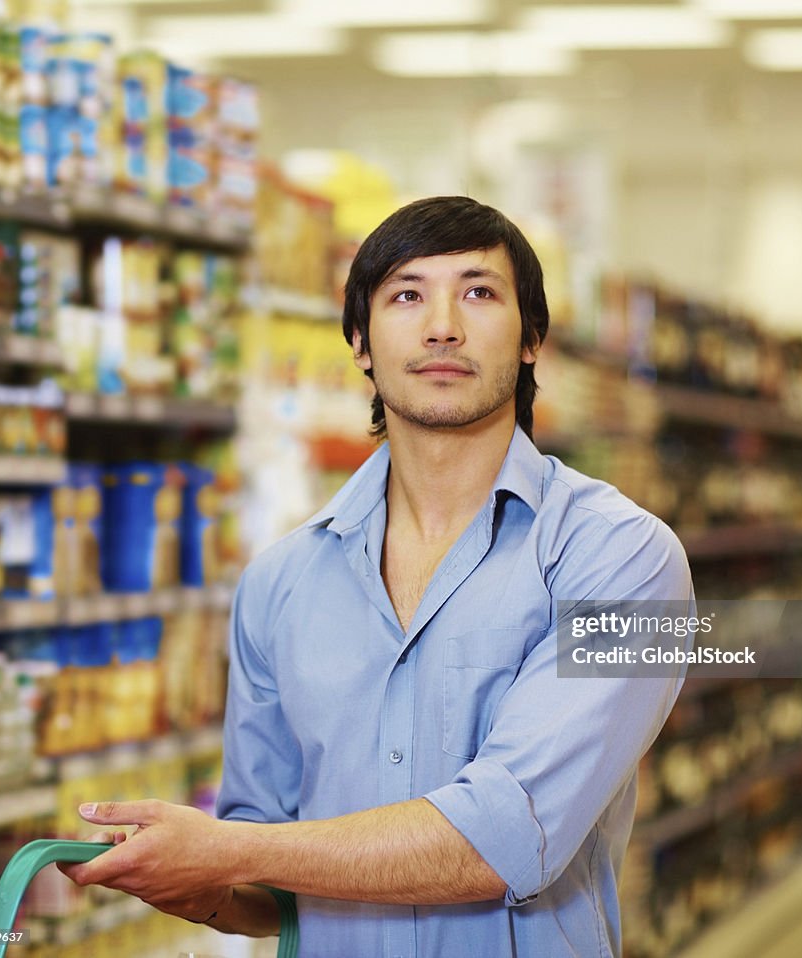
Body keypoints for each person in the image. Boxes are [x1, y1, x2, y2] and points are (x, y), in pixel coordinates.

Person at [62, 195, 694, 957]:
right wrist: (199, 883)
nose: (442, 327)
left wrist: (232, 851)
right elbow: (269, 888)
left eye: (479, 292)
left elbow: (501, 839)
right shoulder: (279, 585)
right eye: (406, 295)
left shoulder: (625, 559)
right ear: (359, 343)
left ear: (532, 339)